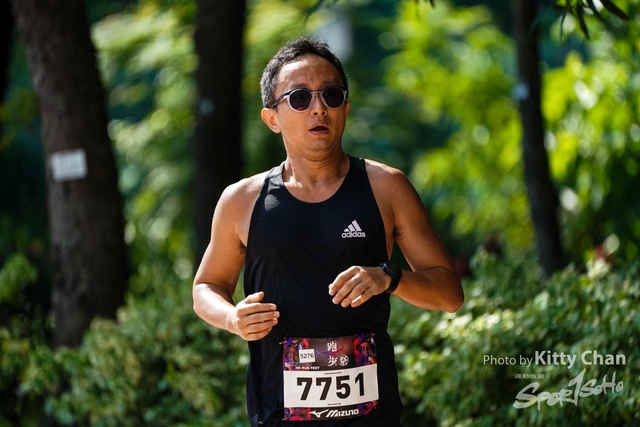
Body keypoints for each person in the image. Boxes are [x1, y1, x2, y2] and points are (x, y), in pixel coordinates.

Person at [193, 37, 464, 427]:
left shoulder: (386, 187)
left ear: (345, 109)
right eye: (299, 98)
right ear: (272, 118)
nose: (318, 107)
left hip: (371, 418)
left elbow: (450, 294)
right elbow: (206, 287)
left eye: (331, 95)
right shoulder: (241, 201)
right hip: (278, 416)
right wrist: (233, 318)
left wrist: (389, 278)